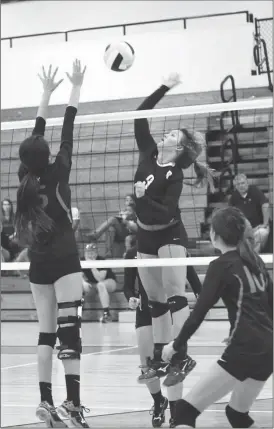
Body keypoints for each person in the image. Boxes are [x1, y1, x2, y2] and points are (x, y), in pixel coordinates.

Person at [133, 72, 214, 421]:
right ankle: (159, 358)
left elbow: (167, 211)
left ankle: (178, 353)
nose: (165, 134)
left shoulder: (174, 174)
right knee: (154, 301)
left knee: (172, 291)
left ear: (178, 147)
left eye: (172, 135)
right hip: (144, 236)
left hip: (169, 233)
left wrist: (140, 199)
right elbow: (140, 114)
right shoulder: (149, 152)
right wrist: (165, 86)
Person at [15, 61, 90, 428]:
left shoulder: (24, 177)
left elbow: (37, 134)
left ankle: (45, 403)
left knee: (47, 333)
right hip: (64, 260)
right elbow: (68, 126)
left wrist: (44, 94)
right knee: (71, 332)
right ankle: (73, 406)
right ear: (46, 154)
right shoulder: (59, 168)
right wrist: (74, 88)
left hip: (39, 266)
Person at [162, 207, 273, 428]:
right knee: (237, 414)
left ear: (215, 235)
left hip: (245, 349)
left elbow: (198, 314)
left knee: (183, 412)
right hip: (269, 350)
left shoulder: (221, 266)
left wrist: (176, 344)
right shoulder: (256, 262)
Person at [124, 244, 202, 428]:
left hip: (171, 310)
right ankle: (159, 402)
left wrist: (202, 297)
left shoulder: (174, 248)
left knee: (174, 361)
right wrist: (130, 298)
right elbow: (127, 286)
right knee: (146, 366)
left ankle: (176, 413)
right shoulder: (132, 253)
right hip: (145, 311)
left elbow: (192, 276)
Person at [229, 173, 270, 253]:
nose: (241, 186)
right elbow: (230, 214)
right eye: (238, 184)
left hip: (258, 228)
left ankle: (253, 256)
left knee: (263, 233)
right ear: (235, 187)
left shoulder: (255, 191)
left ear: (247, 183)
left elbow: (265, 205)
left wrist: (265, 223)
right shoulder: (234, 197)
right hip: (244, 231)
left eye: (243, 183)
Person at [82, 242, 117, 322]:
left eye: (92, 252)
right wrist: (83, 282)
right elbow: (79, 276)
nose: (90, 255)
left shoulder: (101, 260)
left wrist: (92, 266)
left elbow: (100, 279)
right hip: (93, 284)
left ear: (96, 253)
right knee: (79, 284)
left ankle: (106, 313)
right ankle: (79, 312)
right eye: (88, 252)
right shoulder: (82, 261)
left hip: (109, 282)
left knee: (100, 285)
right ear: (85, 253)